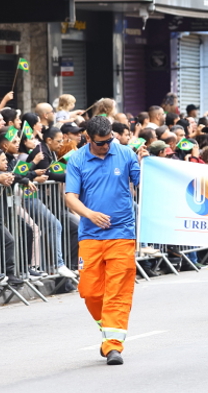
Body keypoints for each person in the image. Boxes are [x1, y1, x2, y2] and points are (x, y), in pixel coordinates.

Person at [65, 116, 147, 366]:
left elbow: (142, 183)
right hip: (90, 235)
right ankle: (107, 325)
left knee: (117, 290)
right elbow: (70, 196)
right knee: (89, 291)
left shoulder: (125, 154)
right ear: (88, 138)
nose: (107, 146)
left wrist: (146, 166)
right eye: (101, 143)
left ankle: (113, 346)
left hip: (122, 233)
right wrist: (89, 214)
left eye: (110, 140)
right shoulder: (77, 159)